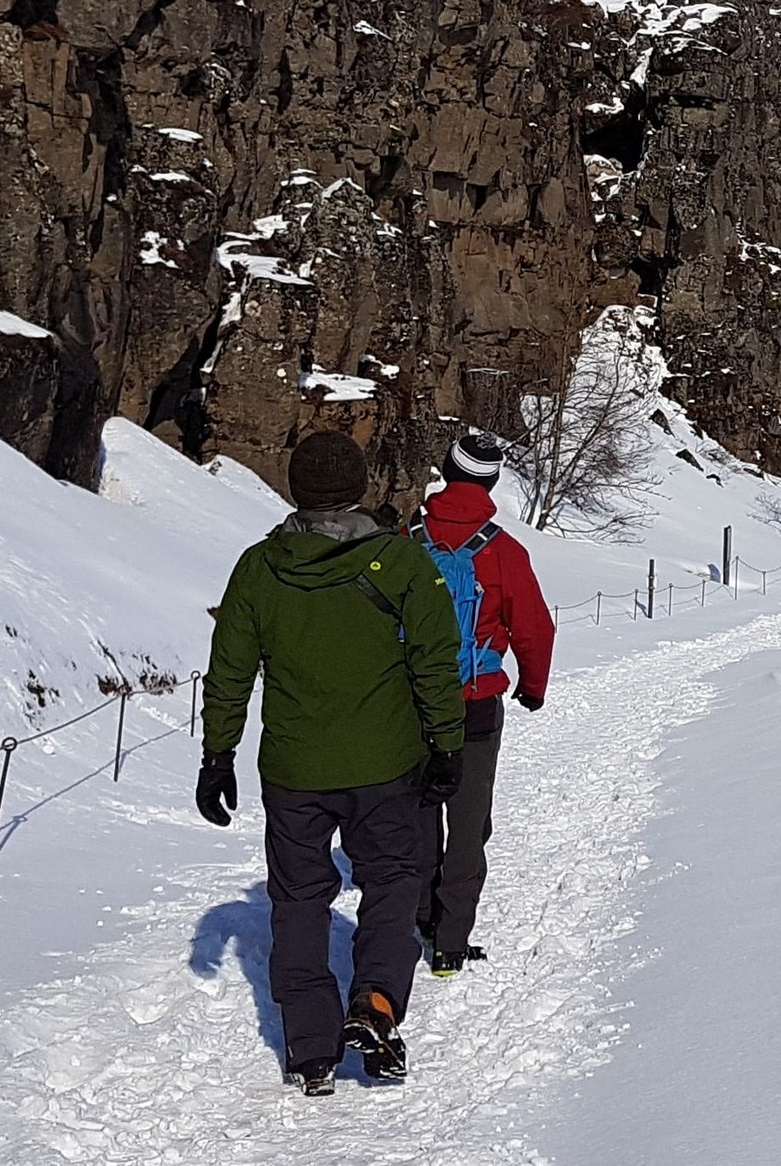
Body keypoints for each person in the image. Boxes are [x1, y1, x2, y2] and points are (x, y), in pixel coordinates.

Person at [199, 431, 464, 1097]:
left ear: (295, 489)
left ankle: (311, 1049)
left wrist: (217, 756)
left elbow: (230, 672)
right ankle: (374, 1003)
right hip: (387, 763)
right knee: (394, 880)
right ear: (360, 487)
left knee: (298, 899)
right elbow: (436, 662)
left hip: (293, 771)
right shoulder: (400, 565)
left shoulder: (258, 568)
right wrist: (447, 745)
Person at [411, 431, 555, 978]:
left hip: (416, 701)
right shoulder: (502, 549)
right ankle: (450, 944)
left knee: (422, 811)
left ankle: (420, 917)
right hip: (475, 705)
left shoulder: (409, 538)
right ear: (492, 481)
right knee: (469, 823)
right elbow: (534, 627)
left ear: (447, 471)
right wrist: (532, 685)